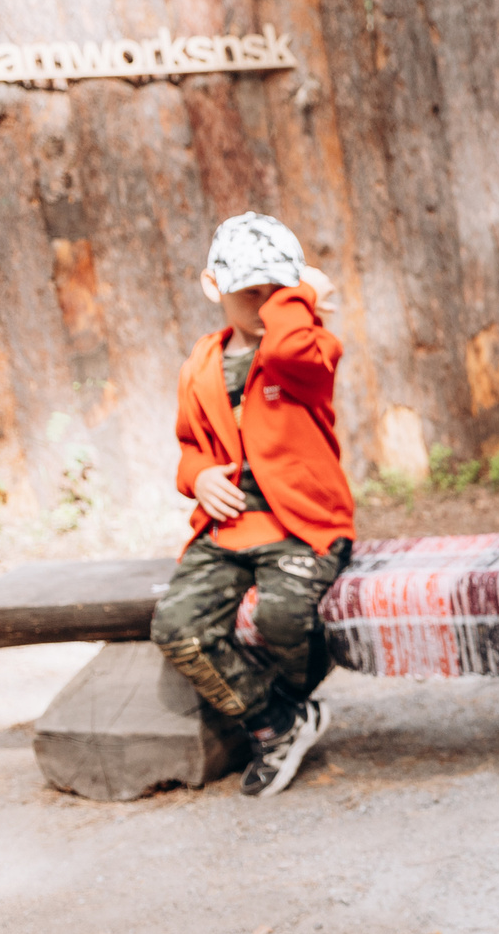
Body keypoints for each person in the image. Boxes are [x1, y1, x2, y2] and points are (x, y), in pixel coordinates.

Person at [151, 213, 354, 798]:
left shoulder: (307, 349)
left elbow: (289, 344)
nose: (267, 305)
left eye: (278, 291)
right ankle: (278, 723)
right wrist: (200, 477)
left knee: (282, 617)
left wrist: (303, 296)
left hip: (302, 525)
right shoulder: (200, 363)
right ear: (214, 286)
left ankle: (286, 707)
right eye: (252, 292)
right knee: (178, 626)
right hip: (231, 527)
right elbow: (189, 447)